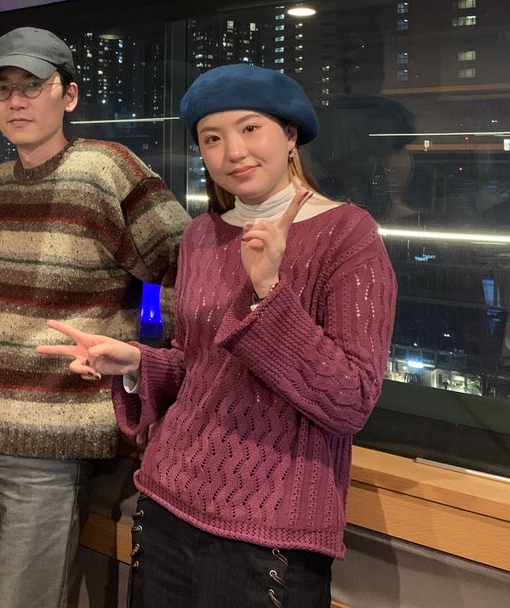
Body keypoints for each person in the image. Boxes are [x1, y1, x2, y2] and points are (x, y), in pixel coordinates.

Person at [39, 62, 397, 607]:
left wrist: (269, 290)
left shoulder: (348, 234)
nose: (233, 152)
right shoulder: (201, 236)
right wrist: (136, 362)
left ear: (291, 135)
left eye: (250, 128)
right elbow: (198, 367)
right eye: (212, 138)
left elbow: (350, 400)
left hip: (272, 528)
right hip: (167, 498)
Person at [0, 27, 190, 608]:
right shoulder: (0, 181)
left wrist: (140, 352)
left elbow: (182, 271)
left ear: (68, 95)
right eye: (3, 89)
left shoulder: (105, 168)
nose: (16, 101)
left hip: (52, 436)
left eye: (33, 86)